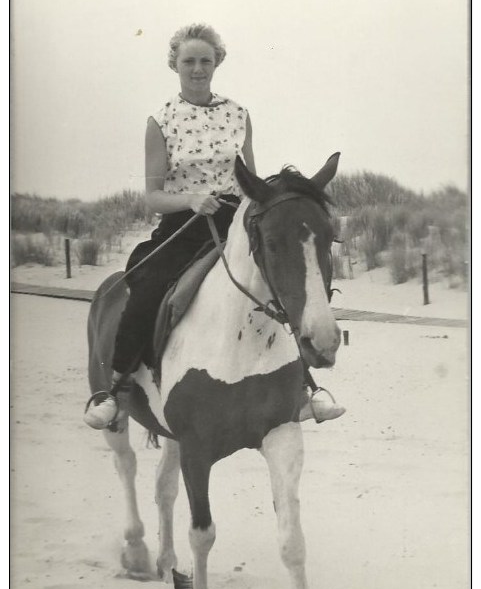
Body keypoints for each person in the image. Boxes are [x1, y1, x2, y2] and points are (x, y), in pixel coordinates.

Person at [84, 23, 345, 430]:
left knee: (281, 282)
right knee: (147, 286)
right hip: (182, 224)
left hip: (236, 221)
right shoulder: (161, 120)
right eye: (189, 61)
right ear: (175, 65)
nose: (198, 68)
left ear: (217, 63)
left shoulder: (238, 114)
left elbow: (250, 180)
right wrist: (191, 200)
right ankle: (115, 388)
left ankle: (304, 387)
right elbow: (152, 197)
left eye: (206, 60)